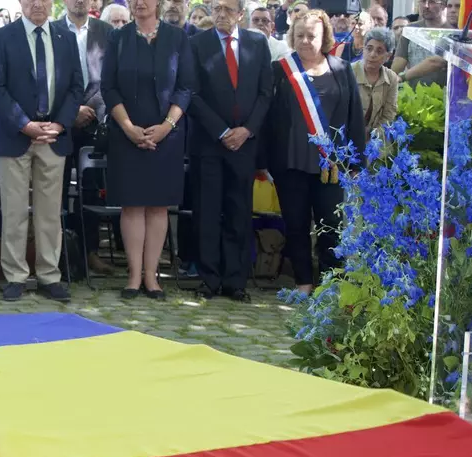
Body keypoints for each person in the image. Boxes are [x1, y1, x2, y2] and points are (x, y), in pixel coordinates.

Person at [0, 0, 84, 302]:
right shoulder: (1, 37)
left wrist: (60, 124)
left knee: (50, 213)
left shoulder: (66, 38)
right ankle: (15, 276)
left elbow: (76, 87)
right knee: (14, 211)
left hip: (53, 136)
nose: (37, 3)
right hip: (14, 135)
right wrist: (25, 125)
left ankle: (49, 276)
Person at [266, 9, 364, 295]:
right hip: (291, 161)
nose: (305, 41)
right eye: (300, 35)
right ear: (292, 37)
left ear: (325, 38)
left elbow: (354, 116)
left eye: (311, 36)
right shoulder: (280, 69)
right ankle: (303, 283)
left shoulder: (342, 69)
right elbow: (268, 117)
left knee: (331, 224)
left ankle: (331, 284)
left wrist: (356, 161)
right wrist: (264, 160)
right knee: (296, 224)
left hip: (330, 164)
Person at [101, 0, 194, 300]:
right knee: (132, 205)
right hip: (126, 134)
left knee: (157, 206)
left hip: (167, 136)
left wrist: (167, 126)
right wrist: (128, 128)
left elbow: (185, 87)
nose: (140, 2)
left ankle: (152, 277)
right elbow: (108, 87)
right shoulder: (118, 37)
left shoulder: (177, 37)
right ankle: (133, 276)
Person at [187, 0, 271, 303]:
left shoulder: (257, 44)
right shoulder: (196, 44)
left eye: (228, 9)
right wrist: (221, 132)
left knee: (239, 211)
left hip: (244, 144)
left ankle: (235, 281)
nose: (221, 14)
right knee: (207, 211)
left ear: (240, 13)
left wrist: (247, 130)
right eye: (216, 8)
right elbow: (191, 93)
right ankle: (209, 278)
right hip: (209, 142)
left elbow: (265, 93)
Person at [54, 0, 115, 276]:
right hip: (59, 121)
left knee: (91, 190)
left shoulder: (107, 32)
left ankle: (90, 251)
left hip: (95, 121)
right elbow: (48, 78)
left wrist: (90, 108)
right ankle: (58, 252)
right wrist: (71, 110)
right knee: (55, 187)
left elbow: (110, 77)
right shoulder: (52, 29)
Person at [391, 0, 449, 86]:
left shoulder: (453, 31)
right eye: (422, 1)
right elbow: (398, 64)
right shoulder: (410, 30)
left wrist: (402, 77)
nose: (426, 6)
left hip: (444, 92)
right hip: (413, 92)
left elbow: (435, 62)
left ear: (443, 5)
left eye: (432, 2)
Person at [352, 27, 397, 137]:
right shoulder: (348, 72)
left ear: (388, 56)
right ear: (363, 49)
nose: (372, 54)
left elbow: (389, 115)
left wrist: (373, 135)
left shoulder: (391, 78)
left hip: (376, 137)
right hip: (347, 135)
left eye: (379, 51)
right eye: (369, 49)